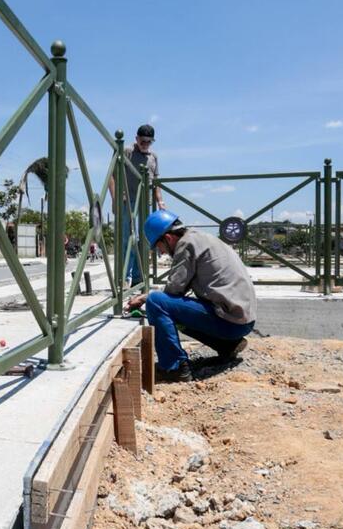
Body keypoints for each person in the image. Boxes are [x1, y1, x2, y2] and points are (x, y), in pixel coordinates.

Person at [125, 210, 256, 381]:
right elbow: (179, 290)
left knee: (156, 302)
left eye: (159, 247)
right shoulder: (199, 237)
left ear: (168, 238)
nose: (162, 252)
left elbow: (173, 291)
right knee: (170, 306)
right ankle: (227, 345)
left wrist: (144, 298)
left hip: (231, 322)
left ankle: (174, 367)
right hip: (242, 320)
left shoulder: (186, 244)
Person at [109, 124, 165, 286]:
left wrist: (160, 201)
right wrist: (115, 199)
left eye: (149, 142)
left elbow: (155, 181)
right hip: (128, 201)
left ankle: (139, 277)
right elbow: (112, 176)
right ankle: (124, 278)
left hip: (144, 203)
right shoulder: (126, 151)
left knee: (143, 240)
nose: (145, 144)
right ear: (136, 139)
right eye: (143, 141)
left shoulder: (153, 157)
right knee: (129, 239)